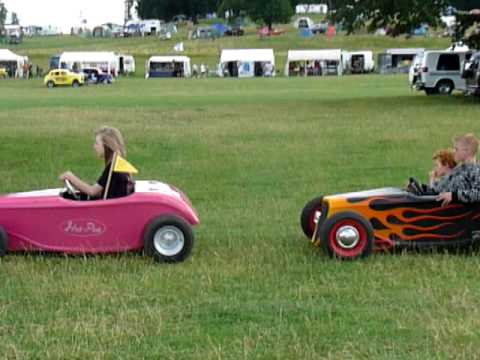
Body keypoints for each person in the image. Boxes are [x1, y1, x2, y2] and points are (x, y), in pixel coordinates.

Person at [59, 126, 133, 200]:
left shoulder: (113, 168)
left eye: (97, 143)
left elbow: (93, 191)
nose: (94, 147)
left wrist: (71, 177)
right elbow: (99, 192)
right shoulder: (115, 165)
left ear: (106, 146)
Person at [433, 134, 480, 206]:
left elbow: (478, 193)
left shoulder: (476, 170)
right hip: (441, 203)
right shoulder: (459, 168)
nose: (453, 152)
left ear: (466, 151)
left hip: (461, 212)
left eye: (456, 149)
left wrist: (454, 196)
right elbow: (441, 187)